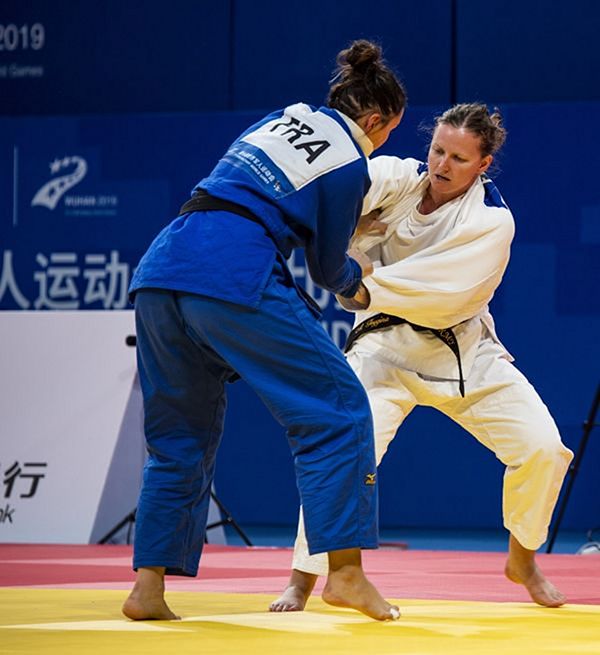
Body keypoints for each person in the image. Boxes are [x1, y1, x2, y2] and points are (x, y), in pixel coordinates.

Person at [122, 40, 407, 622]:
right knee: (339, 408)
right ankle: (346, 574)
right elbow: (328, 270)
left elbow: (263, 197)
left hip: (161, 268)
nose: (382, 145)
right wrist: (363, 283)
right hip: (231, 273)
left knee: (178, 437)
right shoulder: (351, 159)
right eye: (387, 134)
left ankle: (147, 588)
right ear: (374, 120)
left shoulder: (279, 120)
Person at [270, 103, 574, 613]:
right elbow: (343, 186)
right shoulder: (398, 178)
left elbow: (440, 290)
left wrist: (356, 280)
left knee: (544, 449)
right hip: (382, 349)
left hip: (462, 352)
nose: (441, 164)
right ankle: (304, 576)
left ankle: (523, 559)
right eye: (437, 150)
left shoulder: (491, 221)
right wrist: (344, 221)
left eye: (458, 157)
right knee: (346, 446)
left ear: (483, 164)